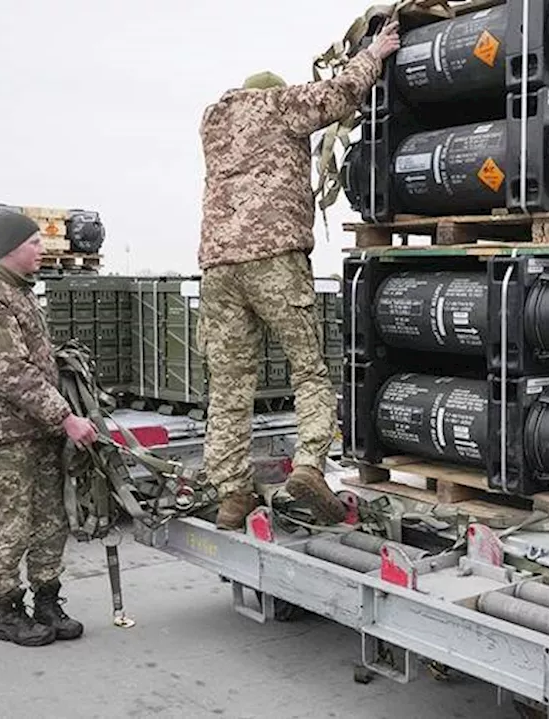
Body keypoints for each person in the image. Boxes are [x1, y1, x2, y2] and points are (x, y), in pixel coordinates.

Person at [196, 19, 402, 531]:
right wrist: (374, 53)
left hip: (218, 266)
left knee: (228, 386)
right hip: (274, 258)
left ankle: (232, 495)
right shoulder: (279, 106)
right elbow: (338, 94)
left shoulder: (213, 122)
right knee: (308, 369)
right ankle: (309, 467)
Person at [0, 210, 99, 647]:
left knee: (51, 521)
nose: (42, 250)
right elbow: (12, 372)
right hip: (9, 432)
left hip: (39, 430)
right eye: (35, 243)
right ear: (10, 247)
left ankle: (48, 600)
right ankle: (9, 610)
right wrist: (66, 417)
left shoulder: (17, 293)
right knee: (12, 523)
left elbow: (36, 361)